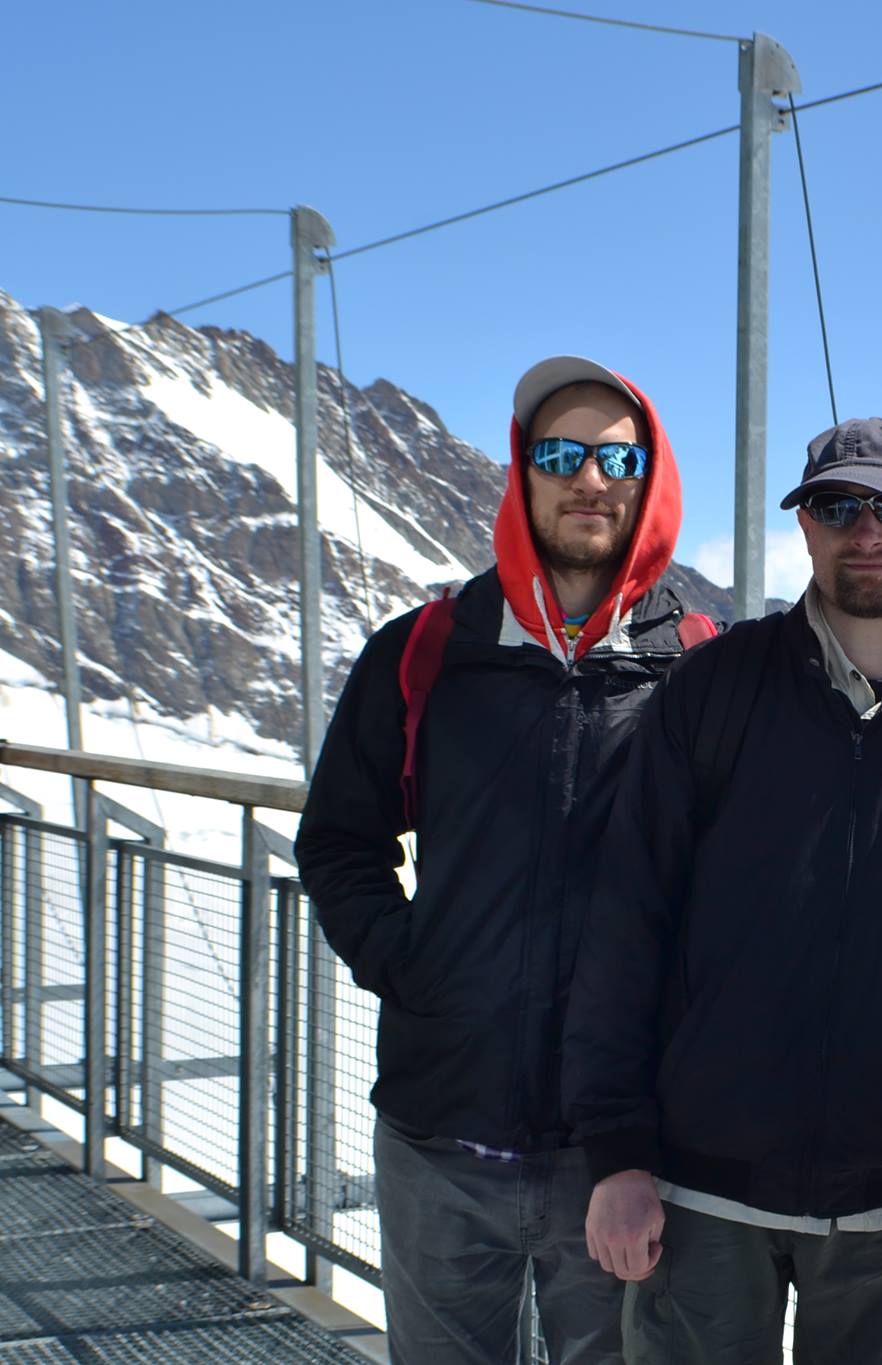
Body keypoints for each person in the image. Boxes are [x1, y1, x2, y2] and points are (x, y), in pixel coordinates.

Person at [564, 417, 882, 1365]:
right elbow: (625, 920)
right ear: (806, 528)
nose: (866, 529)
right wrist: (617, 1152)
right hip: (702, 1190)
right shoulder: (714, 688)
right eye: (838, 507)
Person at [295, 356, 690, 1363]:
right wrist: (412, 963)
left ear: (649, 479)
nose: (589, 479)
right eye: (560, 455)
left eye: (616, 456)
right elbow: (341, 838)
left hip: (619, 1159)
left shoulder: (698, 666)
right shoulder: (424, 651)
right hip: (439, 1137)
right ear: (522, 472)